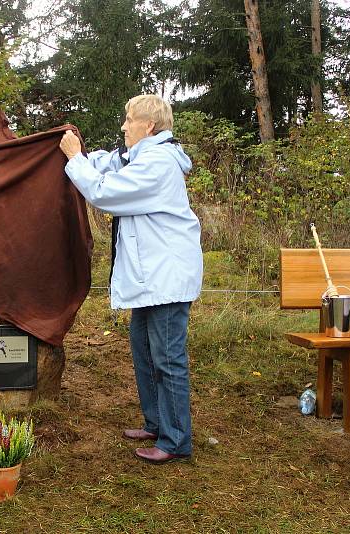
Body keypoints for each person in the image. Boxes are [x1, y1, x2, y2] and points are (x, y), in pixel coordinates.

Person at [59, 95, 203, 464]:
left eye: (128, 120)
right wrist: (72, 155)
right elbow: (109, 163)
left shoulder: (158, 163)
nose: (123, 126)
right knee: (144, 350)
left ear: (149, 127)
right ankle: (156, 422)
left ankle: (175, 440)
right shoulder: (140, 156)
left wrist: (75, 159)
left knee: (167, 358)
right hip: (150, 279)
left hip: (166, 279)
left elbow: (107, 193)